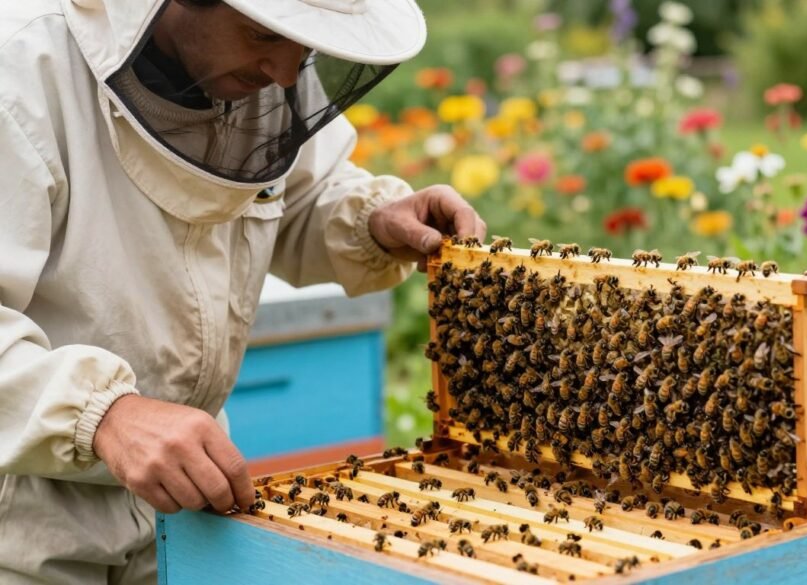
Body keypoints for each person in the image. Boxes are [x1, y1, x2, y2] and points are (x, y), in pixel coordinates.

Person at [0, 0, 485, 582]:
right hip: (20, 515)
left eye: (304, 47)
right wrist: (103, 416)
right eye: (263, 33)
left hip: (182, 500)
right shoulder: (21, 70)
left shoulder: (265, 76)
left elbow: (291, 194)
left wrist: (373, 220)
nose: (285, 72)